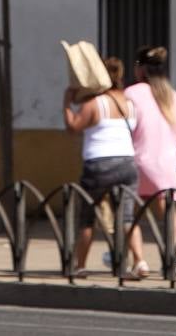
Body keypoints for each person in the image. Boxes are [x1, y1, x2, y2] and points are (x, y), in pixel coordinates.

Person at [62, 56, 147, 278]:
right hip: (127, 162)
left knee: (87, 217)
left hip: (98, 164)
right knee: (127, 216)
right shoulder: (129, 104)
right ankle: (140, 262)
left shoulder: (94, 104)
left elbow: (73, 127)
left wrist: (66, 104)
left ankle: (80, 266)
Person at [125, 45, 176, 276]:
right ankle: (174, 257)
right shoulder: (171, 95)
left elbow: (126, 128)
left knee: (128, 212)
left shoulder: (131, 94)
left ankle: (139, 261)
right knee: (169, 210)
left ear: (140, 69)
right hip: (168, 164)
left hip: (138, 162)